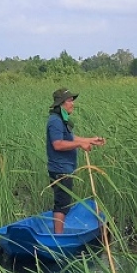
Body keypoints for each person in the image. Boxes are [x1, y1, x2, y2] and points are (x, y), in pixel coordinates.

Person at [46, 88, 105, 234]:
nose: (73, 104)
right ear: (61, 103)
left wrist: (90, 140)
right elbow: (58, 144)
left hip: (66, 168)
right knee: (62, 204)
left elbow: (70, 138)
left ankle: (58, 235)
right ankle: (58, 239)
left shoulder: (62, 119)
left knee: (64, 202)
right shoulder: (55, 121)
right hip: (60, 169)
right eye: (70, 101)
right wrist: (80, 145)